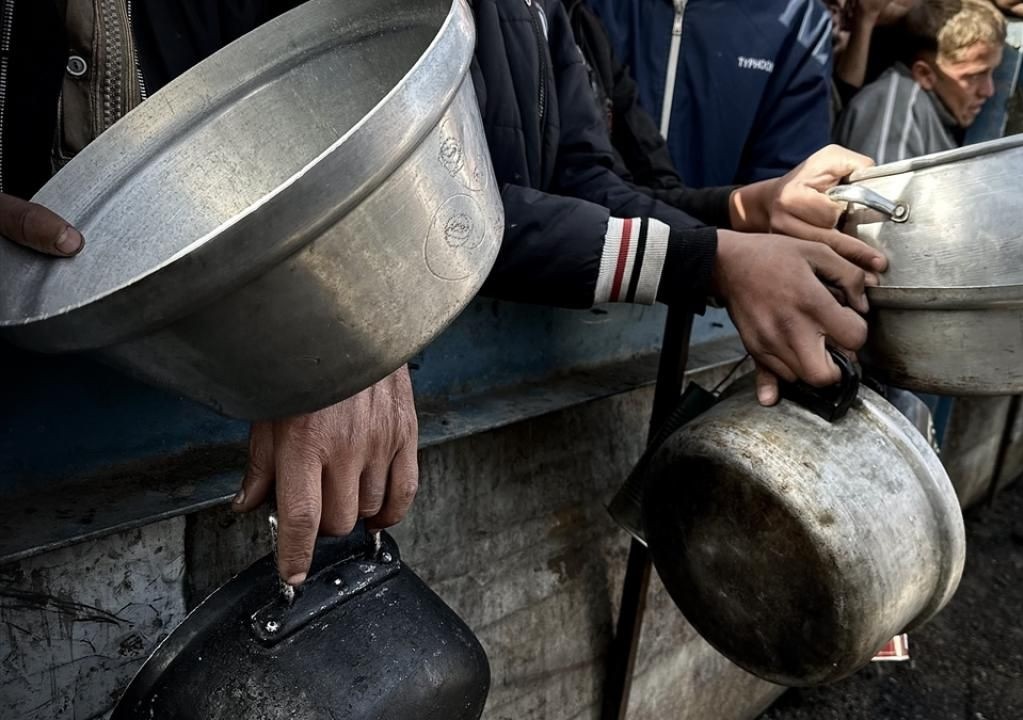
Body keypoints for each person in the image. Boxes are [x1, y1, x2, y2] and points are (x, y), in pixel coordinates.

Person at [2, 0, 875, 580]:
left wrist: (738, 217)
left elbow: (596, 181)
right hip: (134, 356)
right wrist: (711, 259)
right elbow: (450, 194)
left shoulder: (560, 14)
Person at [585, 0, 835, 187]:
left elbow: (781, 184)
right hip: (589, 242)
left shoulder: (800, 20)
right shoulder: (591, 6)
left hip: (721, 250)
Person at [834, 0, 1006, 163]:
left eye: (991, 72)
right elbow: (884, 192)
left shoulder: (932, 111)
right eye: (974, 76)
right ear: (924, 74)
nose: (988, 90)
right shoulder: (897, 108)